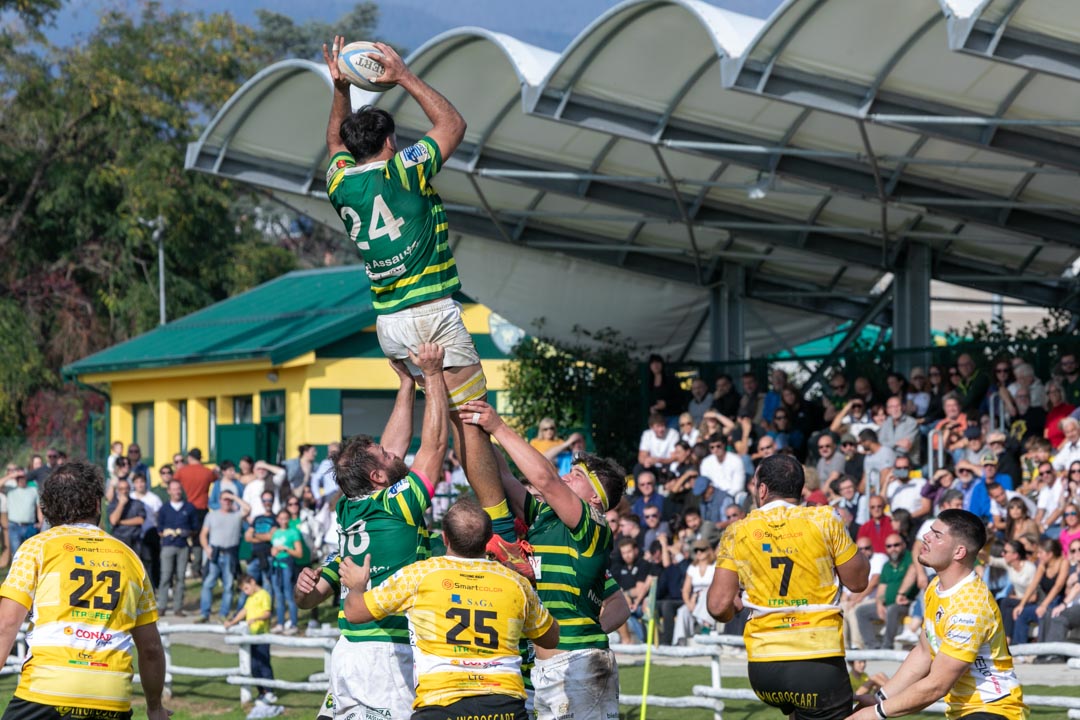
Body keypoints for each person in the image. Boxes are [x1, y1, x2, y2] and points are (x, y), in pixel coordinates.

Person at [322, 39, 524, 570]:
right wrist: (405, 76)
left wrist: (341, 86)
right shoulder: (405, 169)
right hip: (431, 312)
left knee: (439, 416)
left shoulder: (340, 183)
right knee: (472, 422)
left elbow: (333, 143)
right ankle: (501, 531)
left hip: (390, 319)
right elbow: (453, 124)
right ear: (390, 141)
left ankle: (413, 511)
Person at [295, 345, 447, 720]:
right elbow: (435, 445)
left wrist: (406, 386)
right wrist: (434, 374)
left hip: (349, 649)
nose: (395, 452)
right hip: (388, 650)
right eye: (384, 454)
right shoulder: (397, 504)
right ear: (377, 477)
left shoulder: (349, 507)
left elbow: (310, 600)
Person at [460, 398, 627, 720]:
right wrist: (469, 421)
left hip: (578, 663)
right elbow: (504, 476)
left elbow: (546, 481)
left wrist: (498, 425)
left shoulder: (594, 525)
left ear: (595, 498)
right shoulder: (547, 519)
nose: (566, 476)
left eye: (576, 475)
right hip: (548, 667)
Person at [339, 501, 559, 720]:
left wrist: (357, 586)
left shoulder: (419, 575)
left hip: (441, 704)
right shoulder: (515, 583)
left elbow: (355, 613)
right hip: (504, 705)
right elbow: (550, 638)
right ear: (489, 538)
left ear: (445, 537)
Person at [0, 461, 169, 720]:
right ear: (97, 504)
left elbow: (5, 625)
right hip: (111, 696)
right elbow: (151, 648)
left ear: (47, 507)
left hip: (48, 689)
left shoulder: (37, 547)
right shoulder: (130, 558)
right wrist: (155, 707)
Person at [707, 454, 870, 720]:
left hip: (764, 669)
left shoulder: (737, 531)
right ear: (800, 488)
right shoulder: (825, 519)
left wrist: (732, 610)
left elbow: (717, 606)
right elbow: (858, 582)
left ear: (762, 489)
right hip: (817, 658)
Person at [846, 509, 1027, 720]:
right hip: (967, 711)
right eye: (930, 531)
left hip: (993, 710)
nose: (926, 537)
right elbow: (924, 652)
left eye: (937, 535)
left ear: (959, 552)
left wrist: (875, 713)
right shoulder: (936, 586)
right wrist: (880, 697)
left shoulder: (970, 608)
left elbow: (936, 686)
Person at [197, 491, 250, 623]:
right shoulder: (211, 515)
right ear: (219, 500)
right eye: (224, 499)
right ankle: (205, 613)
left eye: (228, 500)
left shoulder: (236, 515)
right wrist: (207, 548)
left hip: (230, 554)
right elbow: (203, 534)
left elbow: (248, 509)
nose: (226, 502)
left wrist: (233, 497)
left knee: (229, 584)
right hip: (215, 553)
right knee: (208, 583)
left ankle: (223, 613)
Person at [223, 575, 276, 705]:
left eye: (246, 588)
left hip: (262, 636)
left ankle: (270, 692)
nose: (246, 592)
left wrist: (256, 619)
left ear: (253, 582)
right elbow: (244, 611)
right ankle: (261, 691)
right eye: (244, 590)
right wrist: (232, 622)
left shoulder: (264, 595)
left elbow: (267, 613)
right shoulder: (250, 598)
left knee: (264, 664)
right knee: (253, 665)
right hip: (251, 636)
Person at [158, 478, 199, 615]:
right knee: (165, 576)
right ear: (169, 491)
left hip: (183, 546)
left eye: (179, 489)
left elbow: (195, 528)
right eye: (174, 489)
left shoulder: (189, 508)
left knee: (180, 577)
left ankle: (178, 607)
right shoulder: (164, 509)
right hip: (168, 546)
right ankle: (162, 606)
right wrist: (166, 532)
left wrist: (186, 532)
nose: (177, 491)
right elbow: (159, 530)